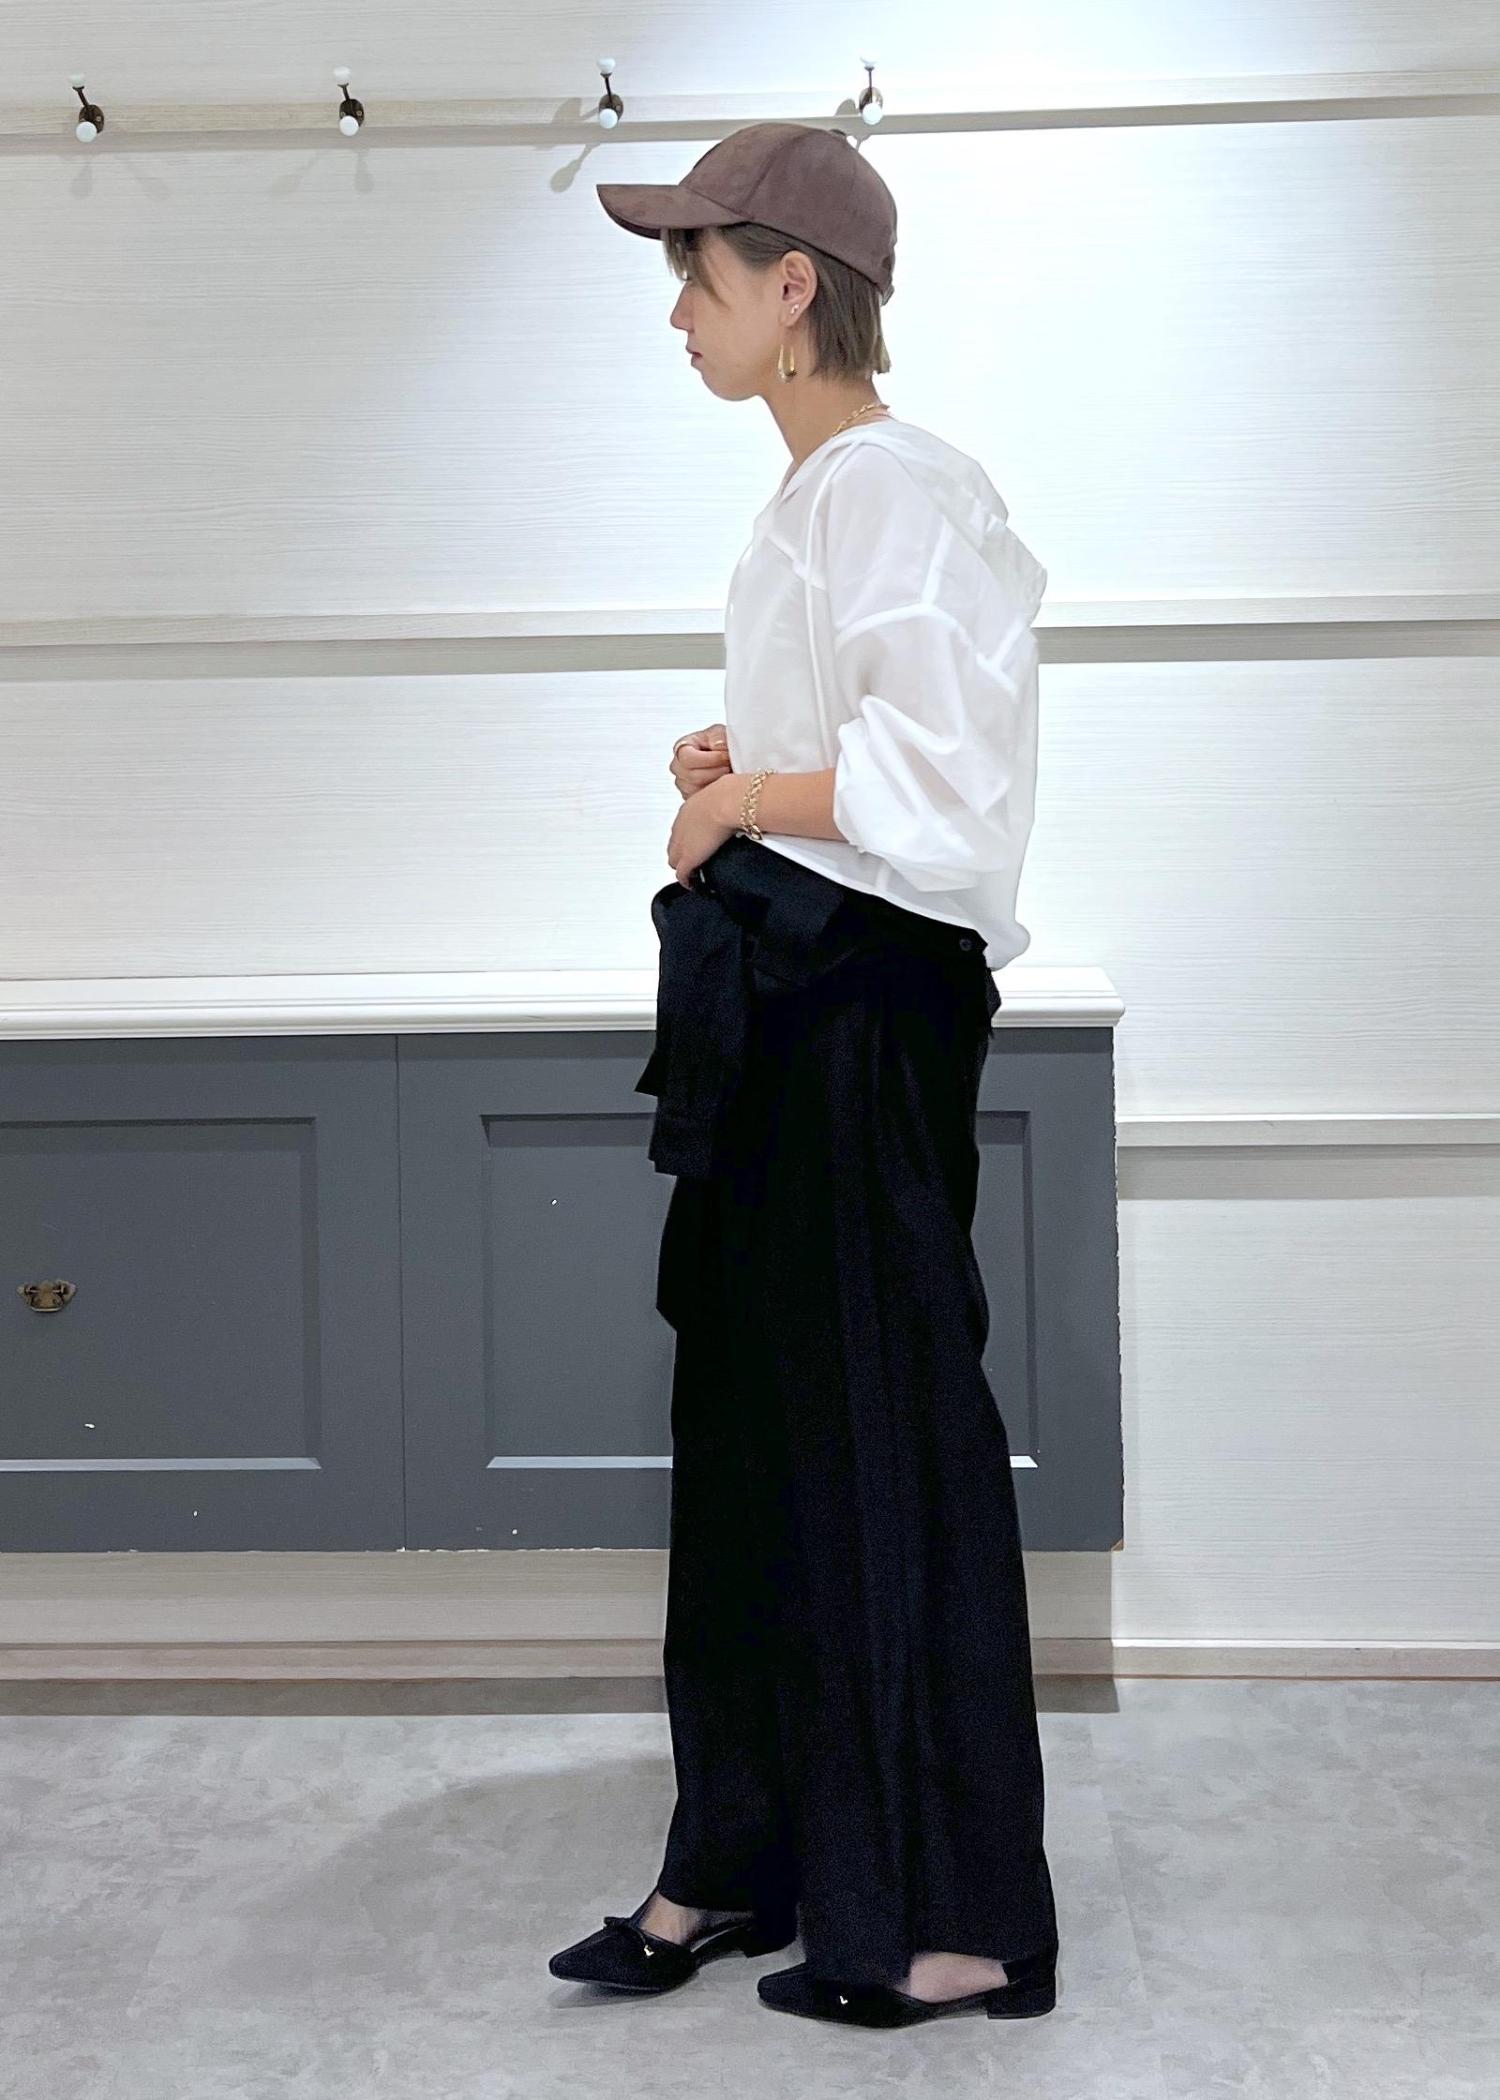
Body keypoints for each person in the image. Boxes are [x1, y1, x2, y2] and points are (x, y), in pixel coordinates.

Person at [549, 121, 1059, 2031]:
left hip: (858, 1015)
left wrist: (748, 798)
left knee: (879, 1441)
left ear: (791, 288)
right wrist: (746, 761)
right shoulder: (821, 499)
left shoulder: (891, 487)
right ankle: (745, 1860)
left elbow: (946, 795)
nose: (676, 313)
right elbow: (874, 753)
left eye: (697, 277)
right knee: (761, 1438)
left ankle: (956, 1921)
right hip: (796, 1003)